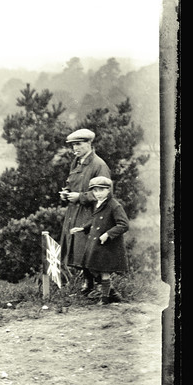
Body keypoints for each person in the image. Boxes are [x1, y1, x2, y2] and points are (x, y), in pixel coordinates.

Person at [58, 128, 112, 296]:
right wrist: (66, 192)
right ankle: (87, 284)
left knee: (90, 250)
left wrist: (80, 197)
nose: (75, 149)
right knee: (77, 249)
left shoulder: (99, 165)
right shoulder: (76, 162)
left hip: (91, 214)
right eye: (73, 145)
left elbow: (106, 193)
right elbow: (72, 182)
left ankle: (100, 288)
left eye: (79, 145)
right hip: (74, 213)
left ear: (89, 144)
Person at [70, 176, 129, 305]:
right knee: (92, 267)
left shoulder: (114, 205)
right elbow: (95, 220)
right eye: (95, 191)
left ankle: (105, 299)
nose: (98, 194)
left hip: (108, 245)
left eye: (101, 190)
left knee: (104, 272)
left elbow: (124, 224)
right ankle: (111, 294)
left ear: (109, 190)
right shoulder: (98, 204)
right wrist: (82, 228)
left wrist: (108, 234)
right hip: (96, 243)